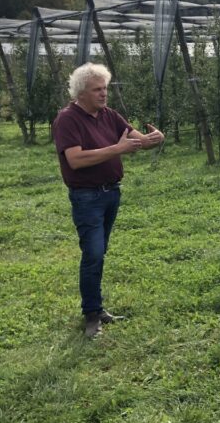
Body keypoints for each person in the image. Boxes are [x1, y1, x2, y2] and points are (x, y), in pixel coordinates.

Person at [52, 63, 164, 338]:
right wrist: (117, 149)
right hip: (86, 197)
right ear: (81, 93)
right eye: (97, 90)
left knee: (98, 252)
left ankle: (97, 309)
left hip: (111, 193)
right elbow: (75, 160)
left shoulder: (109, 115)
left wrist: (154, 139)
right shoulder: (67, 119)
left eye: (105, 88)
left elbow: (137, 141)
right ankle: (92, 314)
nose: (104, 94)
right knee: (92, 254)